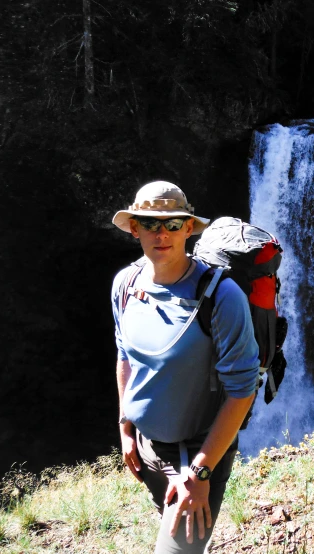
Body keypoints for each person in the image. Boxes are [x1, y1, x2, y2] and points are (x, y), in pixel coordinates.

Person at [111, 181, 259, 553]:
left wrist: (200, 472)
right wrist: (125, 425)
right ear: (135, 228)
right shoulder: (125, 285)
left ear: (189, 228)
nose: (162, 234)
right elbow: (125, 356)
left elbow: (243, 391)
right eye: (149, 223)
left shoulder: (222, 297)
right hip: (146, 448)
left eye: (173, 223)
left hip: (194, 454)